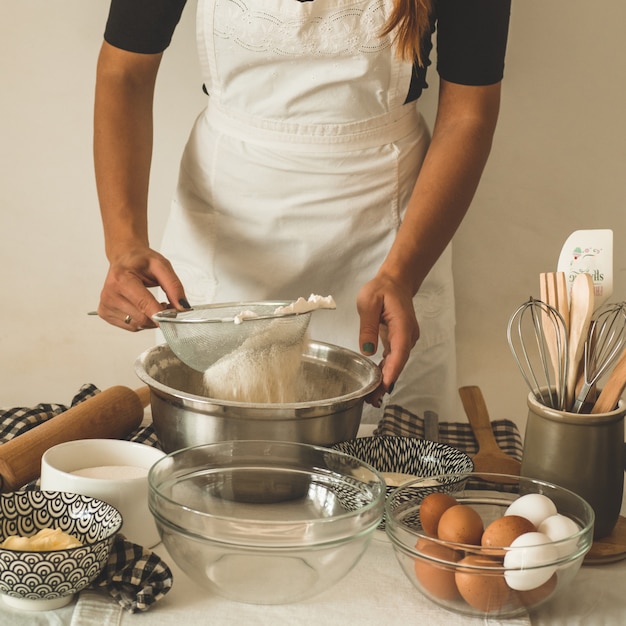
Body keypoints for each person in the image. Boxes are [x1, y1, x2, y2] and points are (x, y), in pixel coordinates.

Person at [94, 0, 511, 422]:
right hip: (225, 236)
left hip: (391, 244)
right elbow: (124, 72)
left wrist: (402, 274)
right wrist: (123, 243)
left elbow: (467, 113)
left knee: (392, 467)